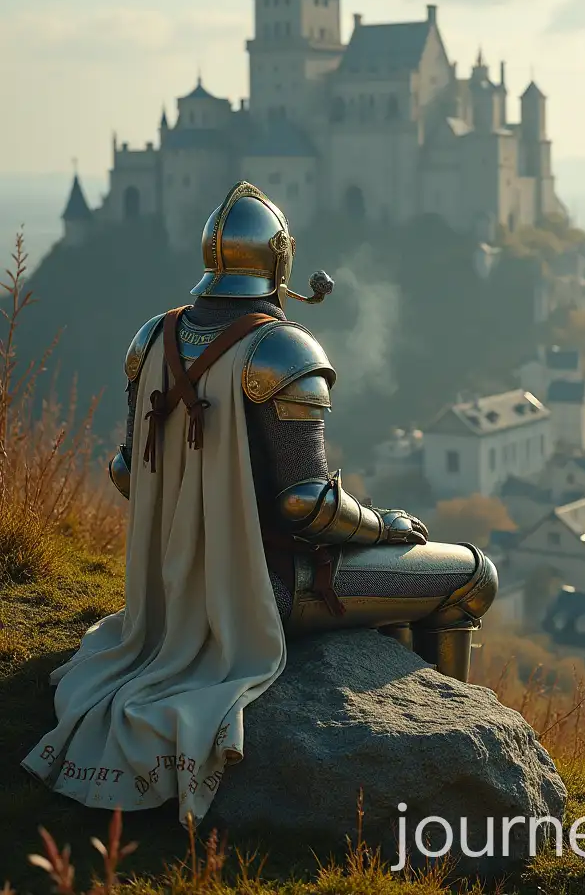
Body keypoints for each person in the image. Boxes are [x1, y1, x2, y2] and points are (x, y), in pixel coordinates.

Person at [22, 180, 497, 825]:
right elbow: (303, 503)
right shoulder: (280, 350)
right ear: (280, 260)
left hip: (168, 593)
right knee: (471, 576)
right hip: (267, 591)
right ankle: (452, 746)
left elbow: (127, 472)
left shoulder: (152, 341)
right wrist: (385, 526)